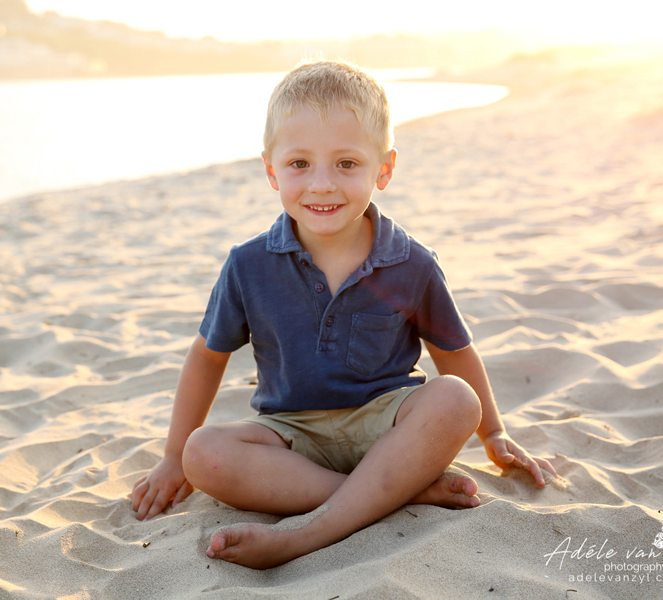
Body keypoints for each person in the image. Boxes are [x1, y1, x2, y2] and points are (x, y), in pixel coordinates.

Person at [130, 59, 556, 569]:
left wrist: (494, 433)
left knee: (456, 399)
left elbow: (455, 352)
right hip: (292, 438)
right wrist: (173, 457)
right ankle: (394, 493)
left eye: (347, 164)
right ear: (271, 170)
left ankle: (310, 531)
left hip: (388, 428)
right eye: (299, 164)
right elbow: (206, 357)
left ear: (385, 169)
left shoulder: (412, 262)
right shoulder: (248, 265)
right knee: (204, 453)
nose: (322, 184)